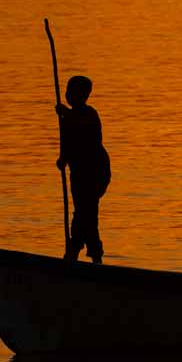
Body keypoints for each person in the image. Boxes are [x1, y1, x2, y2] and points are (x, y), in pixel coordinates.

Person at [55, 75, 111, 263]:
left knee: (86, 213)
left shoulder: (89, 115)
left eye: (73, 92)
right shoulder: (67, 119)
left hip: (95, 173)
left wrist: (66, 114)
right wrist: (63, 160)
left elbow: (83, 128)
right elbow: (68, 144)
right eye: (67, 92)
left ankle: (83, 255)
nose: (68, 96)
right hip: (78, 174)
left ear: (84, 95)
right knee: (83, 213)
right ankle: (79, 254)